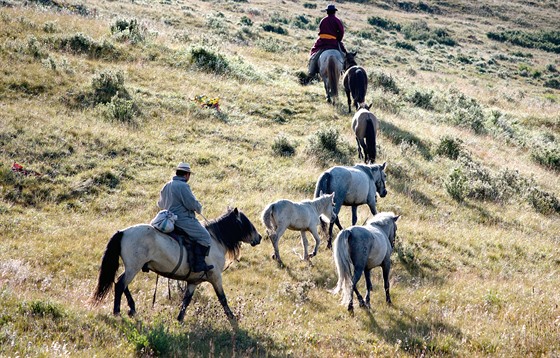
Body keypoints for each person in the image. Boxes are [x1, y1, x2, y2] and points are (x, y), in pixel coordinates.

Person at [157, 162, 214, 273]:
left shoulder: (167, 185)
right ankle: (198, 264)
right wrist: (198, 207)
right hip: (182, 220)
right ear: (187, 174)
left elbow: (160, 204)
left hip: (167, 219)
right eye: (189, 174)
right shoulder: (183, 186)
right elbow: (191, 204)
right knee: (205, 237)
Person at [305, 4, 348, 83]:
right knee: (346, 55)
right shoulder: (337, 20)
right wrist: (338, 39)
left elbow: (320, 30)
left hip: (322, 42)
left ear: (327, 12)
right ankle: (346, 70)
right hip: (334, 42)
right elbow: (341, 31)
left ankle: (311, 72)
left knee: (314, 54)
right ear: (334, 12)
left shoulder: (323, 20)